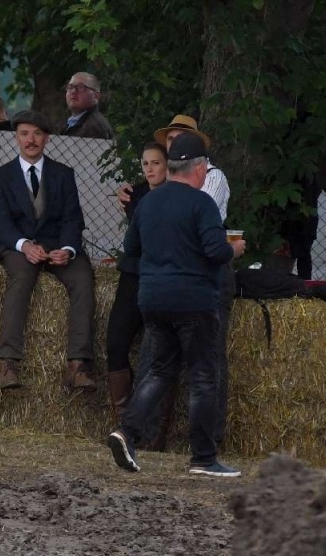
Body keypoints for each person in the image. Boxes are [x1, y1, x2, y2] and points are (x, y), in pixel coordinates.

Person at [107, 132, 244, 479]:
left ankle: (128, 431)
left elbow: (132, 248)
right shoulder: (202, 204)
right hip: (193, 300)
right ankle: (203, 457)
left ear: (171, 167)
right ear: (198, 169)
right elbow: (215, 252)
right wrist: (235, 251)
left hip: (152, 298)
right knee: (203, 376)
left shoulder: (149, 203)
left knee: (160, 370)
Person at [0, 110, 95, 391]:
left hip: (57, 245)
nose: (30, 140)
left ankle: (77, 365)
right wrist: (24, 246)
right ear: (16, 138)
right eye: (24, 134)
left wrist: (68, 249)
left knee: (83, 278)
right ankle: (8, 363)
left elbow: (73, 218)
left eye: (36, 134)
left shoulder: (63, 174)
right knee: (21, 279)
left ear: (46, 138)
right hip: (19, 247)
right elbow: (1, 222)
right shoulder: (0, 177)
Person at [154, 113, 235, 439]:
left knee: (209, 357)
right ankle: (147, 435)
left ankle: (208, 439)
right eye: (169, 141)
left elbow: (200, 221)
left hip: (205, 271)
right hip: (176, 269)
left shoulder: (214, 178)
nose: (172, 146)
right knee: (158, 358)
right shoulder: (164, 186)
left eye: (177, 140)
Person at [105, 142, 168, 421]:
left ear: (168, 165)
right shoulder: (135, 195)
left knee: (157, 353)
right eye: (145, 164)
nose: (150, 168)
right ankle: (123, 416)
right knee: (115, 342)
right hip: (134, 273)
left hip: (162, 276)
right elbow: (138, 236)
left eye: (156, 163)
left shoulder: (177, 194)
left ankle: (147, 422)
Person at [61, 72, 112, 139]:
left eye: (81, 87)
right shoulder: (73, 121)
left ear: (96, 96)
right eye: (70, 87)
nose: (73, 91)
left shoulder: (95, 127)